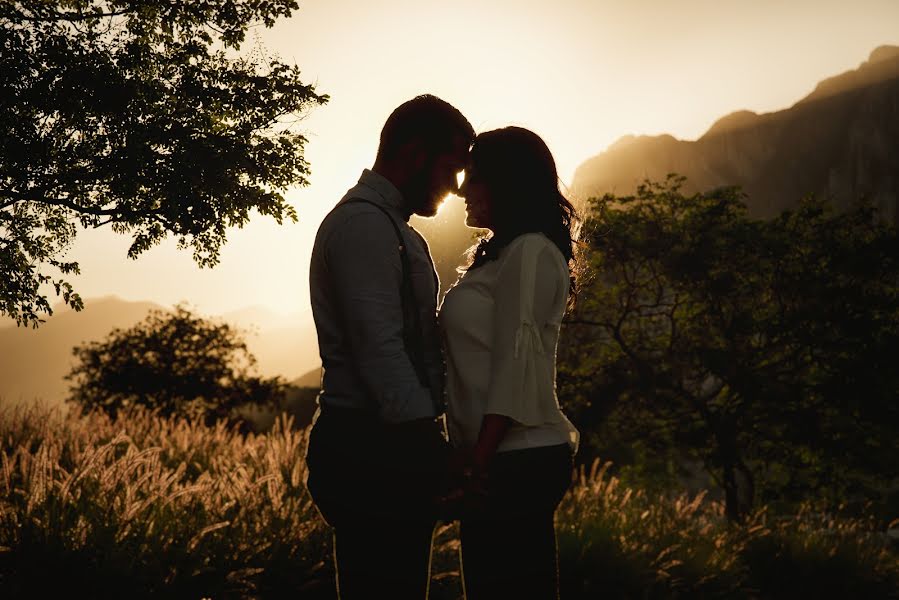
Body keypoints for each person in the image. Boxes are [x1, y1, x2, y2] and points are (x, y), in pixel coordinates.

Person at [304, 94, 474, 599]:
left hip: (383, 444)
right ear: (417, 153)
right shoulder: (364, 226)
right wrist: (429, 446)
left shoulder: (396, 229)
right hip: (370, 448)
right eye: (452, 168)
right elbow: (379, 349)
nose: (456, 186)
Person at [440, 126, 580, 599]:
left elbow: (514, 362)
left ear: (508, 183)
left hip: (516, 458)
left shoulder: (530, 250)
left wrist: (479, 463)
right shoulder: (496, 256)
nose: (462, 188)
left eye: (474, 178)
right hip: (498, 456)